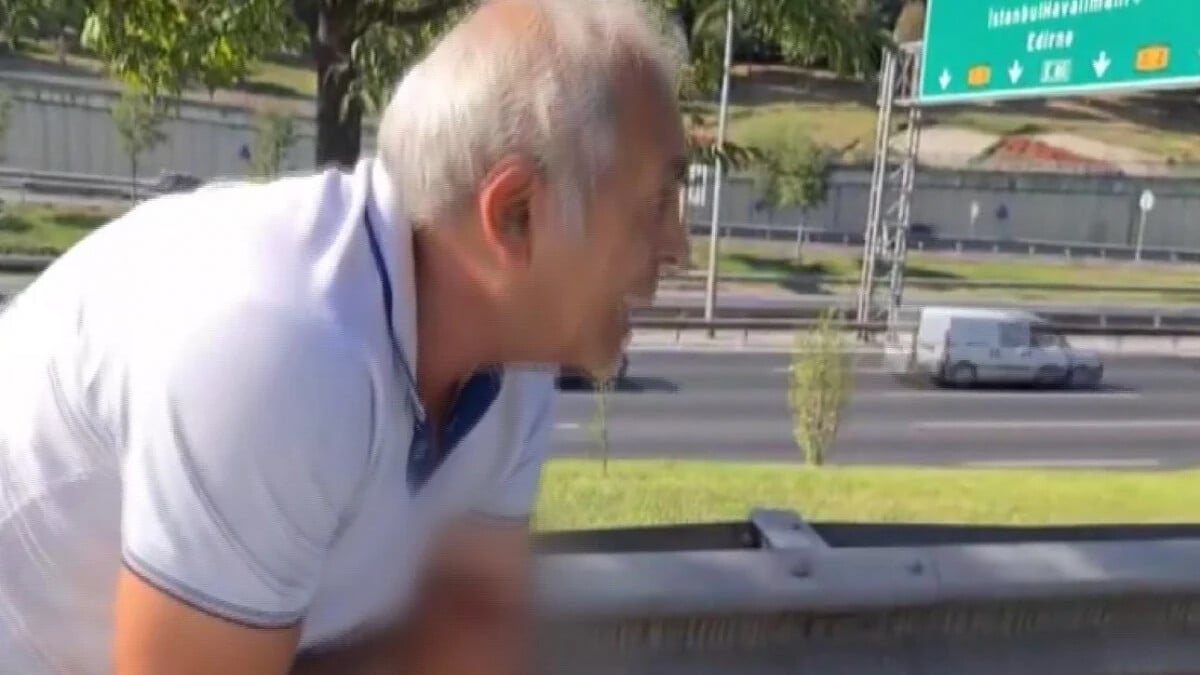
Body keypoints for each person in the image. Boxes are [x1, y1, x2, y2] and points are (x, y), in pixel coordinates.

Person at [0, 0, 689, 672]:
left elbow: (464, 631)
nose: (679, 247)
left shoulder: (512, 357)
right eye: (658, 203)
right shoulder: (282, 351)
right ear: (514, 215)